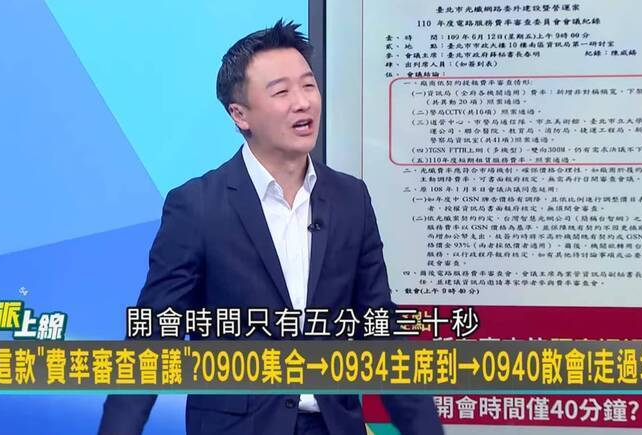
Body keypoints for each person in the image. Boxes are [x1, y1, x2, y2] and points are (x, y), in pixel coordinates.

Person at [98, 20, 443, 435]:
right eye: (281, 92)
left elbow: (379, 329)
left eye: (308, 86)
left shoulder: (351, 199)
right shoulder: (198, 206)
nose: (303, 103)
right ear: (240, 114)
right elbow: (155, 334)